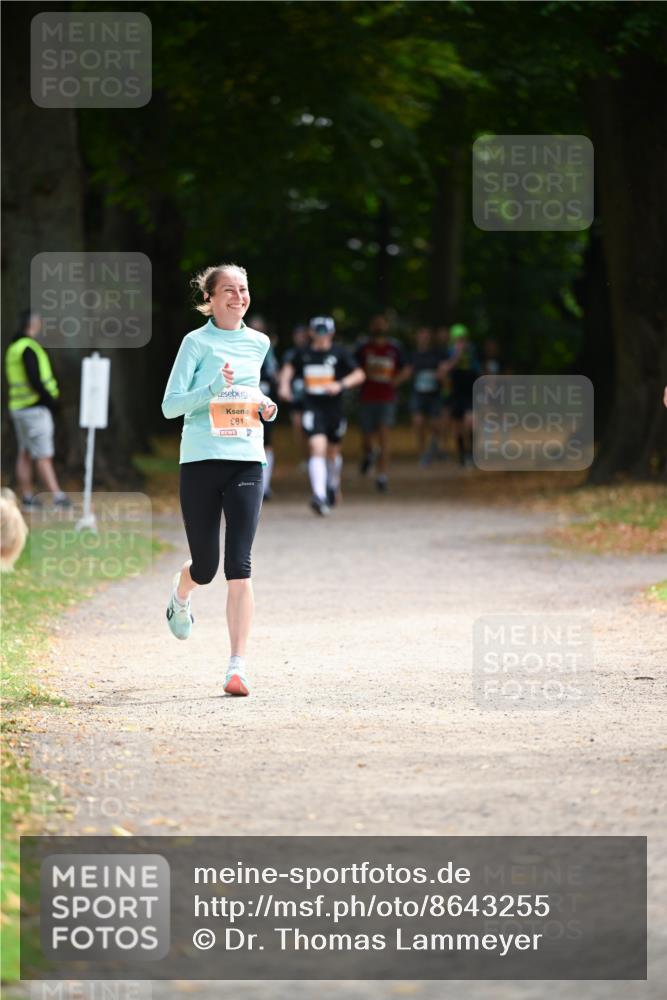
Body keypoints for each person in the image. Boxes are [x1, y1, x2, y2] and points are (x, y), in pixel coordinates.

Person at [161, 264, 278, 697]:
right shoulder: (195, 343)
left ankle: (237, 667)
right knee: (206, 566)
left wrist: (267, 406)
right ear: (209, 299)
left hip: (247, 460)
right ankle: (181, 593)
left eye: (243, 289)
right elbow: (170, 406)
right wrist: (209, 388)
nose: (238, 296)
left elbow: (249, 392)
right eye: (228, 290)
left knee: (239, 566)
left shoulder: (259, 342)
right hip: (200, 461)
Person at [278, 316, 365, 516]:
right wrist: (284, 385)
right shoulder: (303, 353)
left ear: (332, 333)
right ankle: (319, 495)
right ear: (311, 333)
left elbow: (359, 374)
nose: (321, 337)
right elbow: (288, 369)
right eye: (317, 332)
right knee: (317, 447)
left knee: (333, 453)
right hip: (312, 406)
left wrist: (340, 384)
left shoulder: (340, 353)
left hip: (334, 408)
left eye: (325, 332)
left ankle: (333, 484)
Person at [4, 310, 71, 510]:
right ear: (34, 324)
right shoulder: (29, 348)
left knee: (24, 452)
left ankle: (27, 497)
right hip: (35, 409)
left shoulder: (14, 347)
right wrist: (50, 401)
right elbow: (35, 379)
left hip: (18, 408)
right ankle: (58, 497)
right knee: (43, 455)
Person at [355, 313, 407, 493]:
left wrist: (396, 381)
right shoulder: (363, 348)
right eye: (375, 323)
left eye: (381, 324)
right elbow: (354, 367)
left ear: (386, 326)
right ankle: (369, 454)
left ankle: (382, 476)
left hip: (387, 398)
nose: (379, 327)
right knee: (367, 438)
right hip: (367, 397)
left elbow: (407, 367)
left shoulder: (395, 348)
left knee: (384, 437)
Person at [438, 323, 480, 467]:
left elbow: (478, 372)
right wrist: (455, 358)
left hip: (469, 393)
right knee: (456, 428)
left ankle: (472, 453)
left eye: (463, 339)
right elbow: (442, 372)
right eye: (458, 339)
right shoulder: (448, 353)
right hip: (455, 394)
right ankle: (462, 454)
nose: (461, 343)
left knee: (470, 423)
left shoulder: (472, 353)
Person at [403, 325, 445, 466]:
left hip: (434, 394)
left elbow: (443, 369)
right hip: (418, 394)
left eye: (426, 335)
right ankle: (423, 452)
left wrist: (442, 374)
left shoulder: (437, 354)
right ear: (417, 337)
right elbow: (407, 372)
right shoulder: (412, 355)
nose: (424, 338)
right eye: (421, 335)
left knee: (436, 424)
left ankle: (435, 445)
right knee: (418, 422)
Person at [248, 315, 279, 501]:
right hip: (243, 404)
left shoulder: (269, 351)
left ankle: (264, 486)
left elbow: (275, 375)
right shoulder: (240, 349)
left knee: (266, 443)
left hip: (264, 402)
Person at [279, 324, 310, 466]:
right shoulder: (290, 354)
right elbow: (284, 373)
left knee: (312, 427)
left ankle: (315, 455)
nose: (300, 338)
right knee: (298, 427)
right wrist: (284, 387)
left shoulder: (313, 351)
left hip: (311, 396)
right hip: (296, 396)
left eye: (303, 335)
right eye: (298, 335)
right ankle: (305, 456)